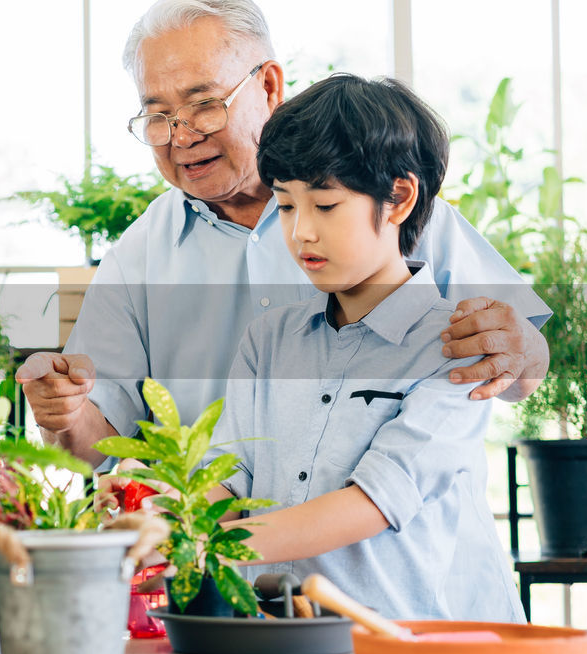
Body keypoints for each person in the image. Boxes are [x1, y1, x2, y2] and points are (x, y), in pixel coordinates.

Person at [16, 0, 550, 467]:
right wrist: (61, 413)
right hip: (217, 556)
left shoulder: (382, 206)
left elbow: (523, 363)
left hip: (391, 553)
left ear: (269, 85)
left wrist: (519, 346)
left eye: (204, 106)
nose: (180, 137)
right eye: (158, 115)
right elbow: (99, 444)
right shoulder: (140, 254)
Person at [204, 73, 523, 620]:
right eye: (284, 206)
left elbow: (374, 502)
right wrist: (175, 516)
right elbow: (226, 479)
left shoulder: (458, 348)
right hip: (289, 644)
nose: (301, 232)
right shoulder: (268, 341)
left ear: (398, 198)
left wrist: (199, 542)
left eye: (325, 206)